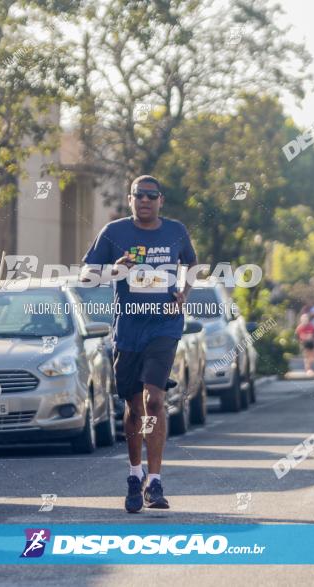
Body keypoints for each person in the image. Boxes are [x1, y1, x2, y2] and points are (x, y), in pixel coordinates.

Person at [81, 175, 198, 513]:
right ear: (129, 199)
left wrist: (184, 294)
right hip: (129, 330)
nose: (145, 201)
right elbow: (86, 276)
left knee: (155, 399)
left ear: (161, 200)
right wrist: (113, 271)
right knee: (133, 406)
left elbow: (191, 263)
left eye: (151, 195)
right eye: (138, 195)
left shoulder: (175, 231)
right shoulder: (114, 233)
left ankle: (156, 480)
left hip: (164, 326)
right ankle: (135, 474)